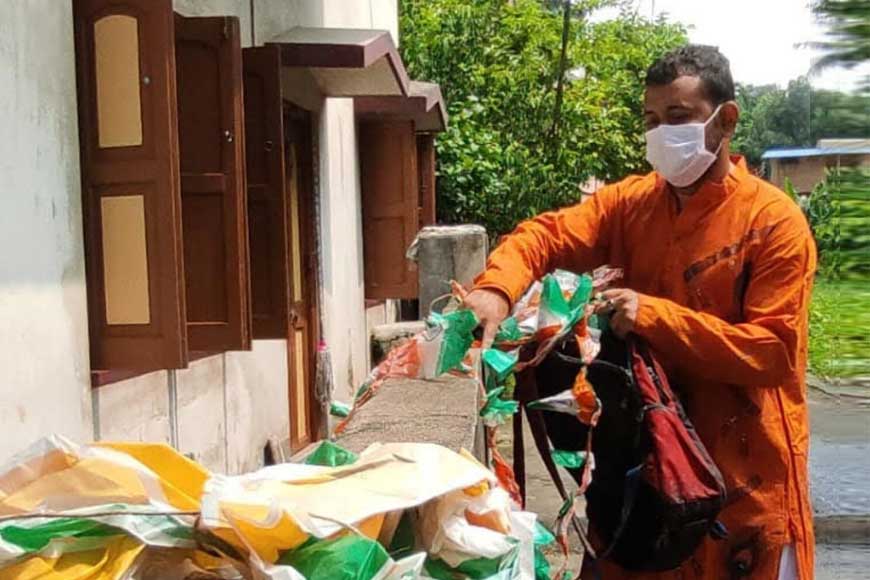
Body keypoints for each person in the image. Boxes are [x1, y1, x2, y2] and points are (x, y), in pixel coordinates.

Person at [465, 45, 816, 580]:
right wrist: (496, 289)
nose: (661, 134)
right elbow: (546, 236)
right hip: (642, 481)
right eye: (651, 120)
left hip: (743, 490)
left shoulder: (772, 221)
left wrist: (653, 316)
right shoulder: (631, 205)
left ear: (726, 120)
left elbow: (771, 354)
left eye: (677, 118)